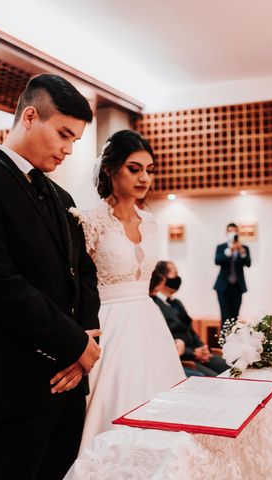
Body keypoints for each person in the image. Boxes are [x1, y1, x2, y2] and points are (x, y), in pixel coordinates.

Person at [0, 74, 102, 480]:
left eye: (75, 141)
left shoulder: (62, 198)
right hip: (11, 387)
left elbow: (83, 273)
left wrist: (86, 342)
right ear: (30, 116)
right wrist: (75, 343)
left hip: (68, 382)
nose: (68, 149)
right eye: (63, 134)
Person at [73, 129, 185, 453]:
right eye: (134, 168)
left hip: (148, 322)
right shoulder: (90, 220)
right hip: (107, 322)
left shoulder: (149, 221)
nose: (144, 178)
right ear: (110, 169)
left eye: (149, 169)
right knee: (112, 409)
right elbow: (79, 283)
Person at [153, 260, 228, 376]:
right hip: (184, 358)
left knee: (230, 367)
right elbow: (167, 340)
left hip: (198, 353)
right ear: (163, 278)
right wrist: (193, 353)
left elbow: (190, 330)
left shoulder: (177, 303)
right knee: (214, 379)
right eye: (175, 274)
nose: (178, 278)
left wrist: (202, 347)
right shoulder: (155, 305)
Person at [213, 223, 251, 327]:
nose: (232, 233)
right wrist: (230, 250)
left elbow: (248, 263)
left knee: (235, 317)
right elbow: (217, 261)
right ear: (226, 233)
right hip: (223, 287)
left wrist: (241, 251)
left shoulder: (244, 247)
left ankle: (235, 342)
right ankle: (224, 342)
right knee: (225, 316)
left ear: (238, 232)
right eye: (230, 231)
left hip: (237, 287)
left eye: (234, 231)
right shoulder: (221, 247)